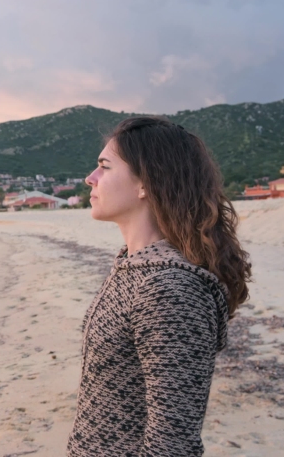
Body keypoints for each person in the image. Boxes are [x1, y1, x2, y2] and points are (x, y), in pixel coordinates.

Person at [67, 116, 252, 456]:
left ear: (146, 184)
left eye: (104, 167)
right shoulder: (134, 265)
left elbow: (174, 441)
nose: (89, 178)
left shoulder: (168, 288)